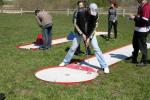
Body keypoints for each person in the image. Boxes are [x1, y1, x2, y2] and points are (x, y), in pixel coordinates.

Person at [59, 3, 109, 74]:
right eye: (91, 12)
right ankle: (65, 61)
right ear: (88, 9)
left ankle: (104, 66)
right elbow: (75, 24)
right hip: (79, 32)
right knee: (73, 48)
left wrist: (89, 37)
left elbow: (94, 27)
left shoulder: (96, 15)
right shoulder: (79, 12)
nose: (92, 14)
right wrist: (82, 34)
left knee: (96, 48)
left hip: (90, 33)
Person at [129, 0, 150, 66]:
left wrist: (134, 17)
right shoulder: (141, 6)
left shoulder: (146, 7)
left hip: (143, 29)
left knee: (142, 46)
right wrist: (134, 17)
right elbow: (139, 16)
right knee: (135, 44)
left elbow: (144, 20)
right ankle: (134, 57)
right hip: (137, 29)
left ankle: (144, 61)